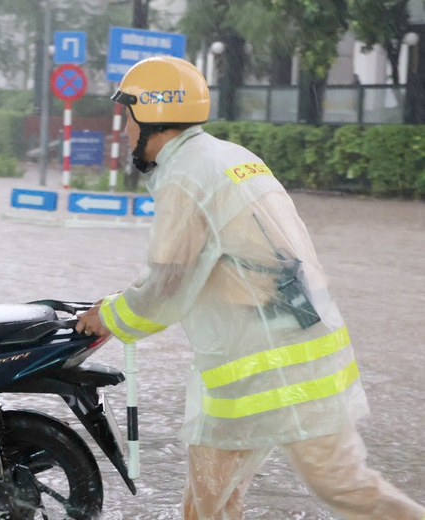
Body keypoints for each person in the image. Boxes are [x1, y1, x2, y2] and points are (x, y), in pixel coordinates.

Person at [76, 56, 425, 520]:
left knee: (344, 487)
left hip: (277, 370)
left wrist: (110, 317)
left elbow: (167, 285)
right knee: (207, 504)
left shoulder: (185, 177)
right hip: (258, 364)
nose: (122, 131)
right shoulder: (231, 157)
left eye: (126, 117)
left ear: (151, 115)